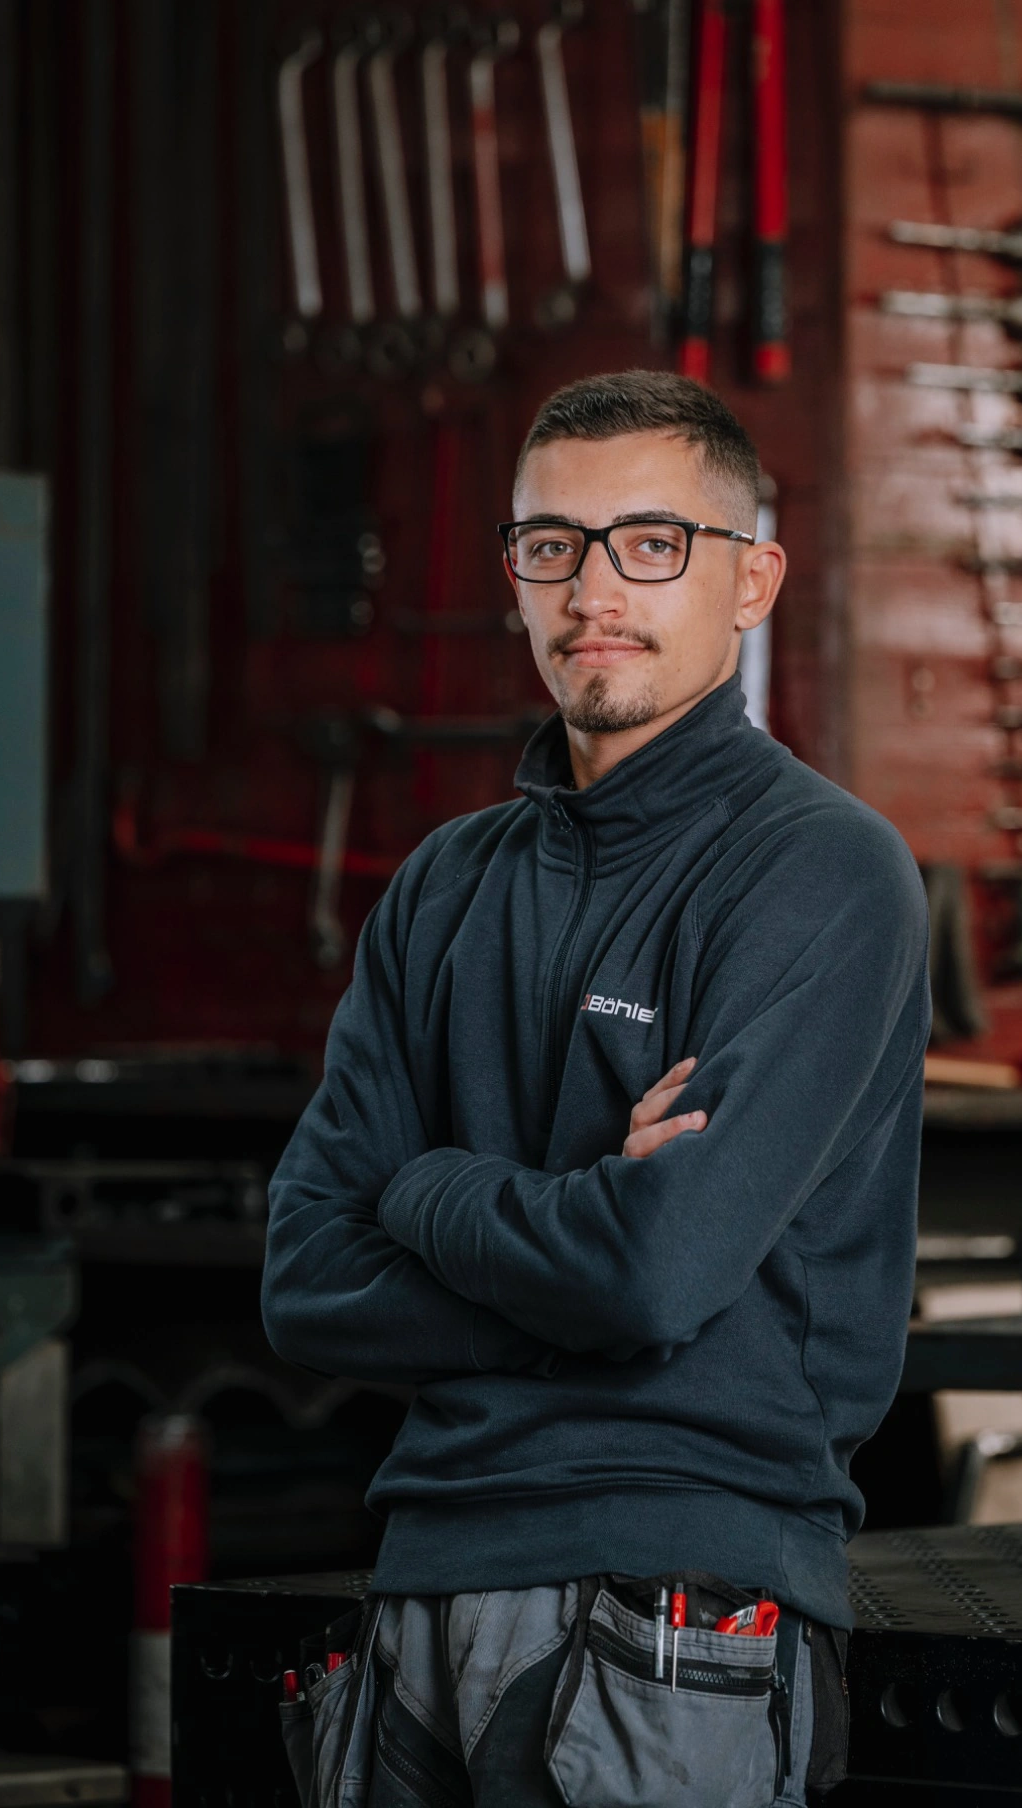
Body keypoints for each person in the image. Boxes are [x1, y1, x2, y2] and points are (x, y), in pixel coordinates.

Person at [262, 370, 930, 1808]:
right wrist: (589, 1246)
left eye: (652, 543)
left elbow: (652, 1273)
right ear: (514, 574)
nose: (593, 591)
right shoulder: (441, 888)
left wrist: (429, 1187)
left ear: (751, 581)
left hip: (676, 1609)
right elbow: (306, 1279)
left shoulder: (823, 872)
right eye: (552, 544)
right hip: (418, 1594)